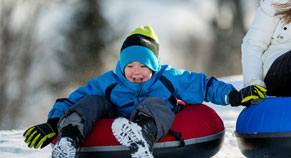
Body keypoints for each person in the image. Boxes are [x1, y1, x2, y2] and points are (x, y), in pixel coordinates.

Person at [23, 26, 265, 158]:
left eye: (143, 66)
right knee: (92, 100)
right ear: (121, 66)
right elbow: (72, 100)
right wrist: (53, 124)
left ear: (154, 66)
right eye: (130, 66)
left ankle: (141, 138)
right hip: (115, 120)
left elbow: (203, 85)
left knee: (155, 102)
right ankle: (69, 141)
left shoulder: (168, 78)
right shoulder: (109, 81)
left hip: (152, 119)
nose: (136, 72)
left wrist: (234, 96)